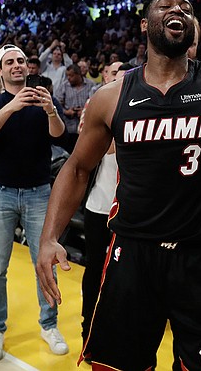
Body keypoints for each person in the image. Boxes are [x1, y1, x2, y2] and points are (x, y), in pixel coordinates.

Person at [36, 0, 201, 371]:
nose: (178, 9)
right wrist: (48, 239)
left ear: (192, 27)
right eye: (166, 5)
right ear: (145, 25)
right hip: (133, 254)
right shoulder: (112, 96)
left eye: (186, 7)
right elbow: (77, 168)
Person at [0, 44, 68, 362]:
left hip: (39, 193)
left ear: (29, 67)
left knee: (44, 264)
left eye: (21, 61)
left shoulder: (43, 98)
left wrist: (51, 110)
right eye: (9, 62)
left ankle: (49, 324)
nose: (17, 65)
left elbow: (59, 135)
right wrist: (12, 106)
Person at [77, 58, 125, 343]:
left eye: (123, 73)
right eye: (113, 73)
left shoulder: (145, 107)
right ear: (105, 76)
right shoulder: (96, 106)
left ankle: (120, 328)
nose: (118, 77)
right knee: (95, 268)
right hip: (99, 205)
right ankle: (88, 329)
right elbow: (100, 151)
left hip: (132, 209)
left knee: (127, 273)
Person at [54, 63, 94, 152]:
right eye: (67, 75)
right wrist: (66, 111)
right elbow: (57, 103)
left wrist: (84, 111)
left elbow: (95, 103)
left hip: (86, 126)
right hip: (69, 127)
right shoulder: (64, 86)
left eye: (71, 75)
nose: (68, 78)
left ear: (78, 74)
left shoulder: (91, 85)